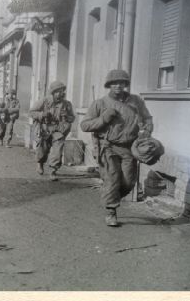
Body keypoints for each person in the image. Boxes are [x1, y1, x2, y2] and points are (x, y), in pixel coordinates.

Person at [80, 69, 153, 227]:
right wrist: (103, 118)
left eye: (121, 82)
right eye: (114, 83)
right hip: (108, 147)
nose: (118, 86)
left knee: (128, 182)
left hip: (129, 147)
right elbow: (85, 125)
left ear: (126, 84)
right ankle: (111, 211)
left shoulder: (136, 101)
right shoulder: (100, 103)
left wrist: (146, 131)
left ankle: (109, 194)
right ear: (109, 85)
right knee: (113, 179)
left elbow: (147, 118)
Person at [31, 82, 75, 175]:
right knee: (42, 148)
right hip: (45, 128)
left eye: (61, 91)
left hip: (58, 129)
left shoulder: (67, 104)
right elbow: (31, 112)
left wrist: (66, 118)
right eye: (57, 92)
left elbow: (72, 118)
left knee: (57, 151)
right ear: (53, 92)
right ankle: (40, 164)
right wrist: (42, 115)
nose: (60, 94)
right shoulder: (44, 101)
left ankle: (53, 170)